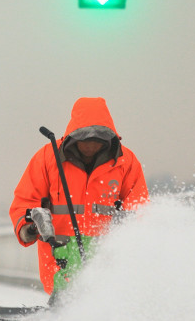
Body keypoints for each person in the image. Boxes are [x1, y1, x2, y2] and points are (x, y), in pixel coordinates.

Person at [9, 97, 149, 295]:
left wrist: (130, 225)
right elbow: (24, 201)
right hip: (58, 259)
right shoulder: (47, 158)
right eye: (85, 140)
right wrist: (30, 226)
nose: (90, 146)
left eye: (97, 141)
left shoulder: (126, 162)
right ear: (74, 137)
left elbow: (139, 206)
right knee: (63, 305)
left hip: (107, 261)